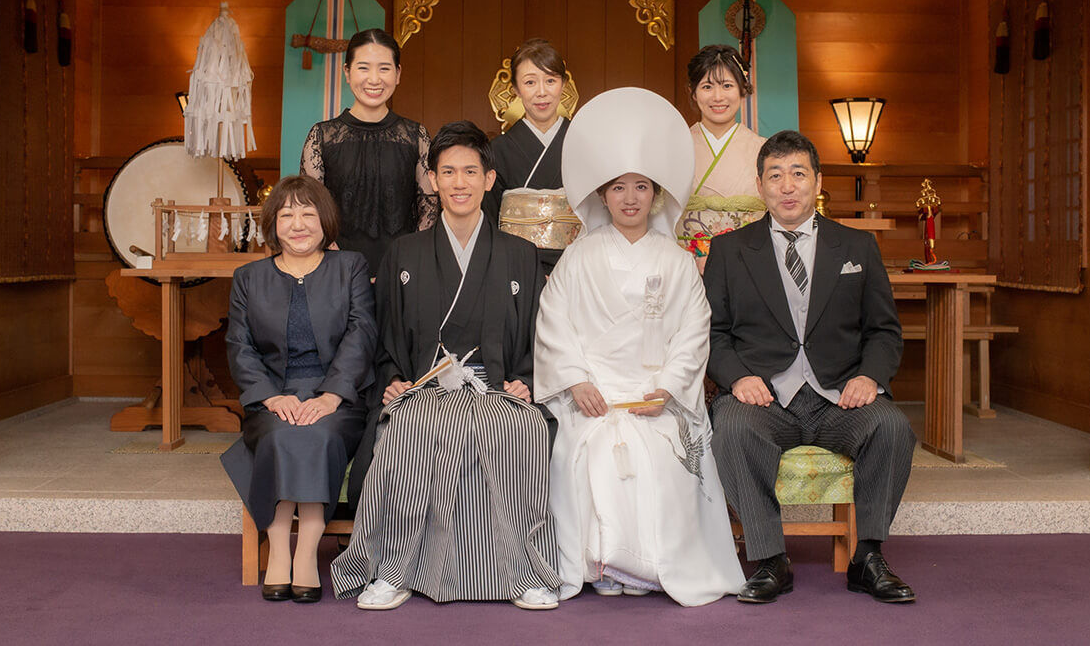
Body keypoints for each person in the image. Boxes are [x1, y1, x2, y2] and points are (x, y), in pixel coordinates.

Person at [330, 121, 562, 611]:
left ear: (490, 179)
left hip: (495, 390)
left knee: (521, 433)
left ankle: (526, 573)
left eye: (470, 171)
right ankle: (392, 570)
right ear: (432, 179)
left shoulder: (521, 255)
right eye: (448, 171)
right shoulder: (404, 253)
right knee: (409, 429)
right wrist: (393, 380)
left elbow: (538, 337)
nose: (460, 182)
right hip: (425, 389)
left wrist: (526, 381)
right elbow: (387, 336)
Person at [535, 87, 744, 606]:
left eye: (643, 187)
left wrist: (669, 389)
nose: (631, 198)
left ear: (658, 195)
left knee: (658, 454)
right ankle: (602, 561)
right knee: (598, 451)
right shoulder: (578, 258)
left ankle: (648, 567)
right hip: (595, 395)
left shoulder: (675, 262)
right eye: (619, 188)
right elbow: (553, 324)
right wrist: (577, 381)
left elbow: (695, 333)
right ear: (603, 195)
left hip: (654, 396)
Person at [703, 130, 916, 604]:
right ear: (760, 185)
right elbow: (713, 334)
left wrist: (870, 377)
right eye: (775, 175)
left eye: (798, 173)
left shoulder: (856, 248)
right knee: (731, 429)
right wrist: (738, 376)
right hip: (766, 399)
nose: (787, 185)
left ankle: (869, 557)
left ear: (816, 181)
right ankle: (770, 559)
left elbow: (883, 330)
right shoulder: (730, 251)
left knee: (892, 428)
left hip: (840, 397)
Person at [221, 175, 376, 604]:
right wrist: (270, 397)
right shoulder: (249, 277)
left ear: (325, 221)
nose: (299, 223)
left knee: (319, 434)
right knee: (281, 433)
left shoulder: (351, 268)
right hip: (273, 395)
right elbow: (239, 345)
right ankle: (280, 554)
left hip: (336, 397)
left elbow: (361, 333)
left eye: (308, 213)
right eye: (287, 214)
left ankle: (305, 553)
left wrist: (331, 395)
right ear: (273, 224)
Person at [300, 28, 437, 276]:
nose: (374, 79)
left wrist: (404, 263)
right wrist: (340, 262)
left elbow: (429, 208)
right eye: (363, 68)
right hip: (335, 271)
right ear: (347, 72)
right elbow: (311, 209)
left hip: (403, 271)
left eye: (384, 68)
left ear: (398, 74)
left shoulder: (416, 136)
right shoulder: (321, 136)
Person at [485, 38, 577, 274]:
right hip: (514, 268)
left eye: (550, 81)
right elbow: (488, 225)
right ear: (515, 88)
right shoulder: (498, 150)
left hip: (575, 267)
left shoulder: (583, 144)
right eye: (530, 82)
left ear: (563, 84)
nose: (542, 92)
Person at [675, 45, 767, 272]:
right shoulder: (673, 147)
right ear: (693, 92)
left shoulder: (764, 150)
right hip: (685, 265)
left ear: (742, 90)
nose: (718, 97)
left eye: (727, 86)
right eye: (707, 86)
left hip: (748, 265)